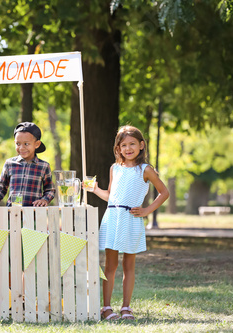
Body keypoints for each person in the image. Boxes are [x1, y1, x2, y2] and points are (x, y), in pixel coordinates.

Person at [87, 125, 169, 321]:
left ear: (141, 145)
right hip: (112, 217)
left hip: (131, 220)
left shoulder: (145, 170)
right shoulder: (115, 168)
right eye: (123, 145)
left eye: (132, 144)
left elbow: (164, 192)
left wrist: (147, 211)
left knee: (129, 265)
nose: (128, 148)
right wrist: (95, 190)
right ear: (118, 148)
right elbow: (111, 196)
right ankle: (106, 307)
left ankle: (126, 307)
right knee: (110, 266)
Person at [0, 122, 55, 207]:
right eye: (18, 144)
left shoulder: (43, 166)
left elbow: (50, 190)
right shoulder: (9, 164)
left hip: (34, 214)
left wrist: (44, 200)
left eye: (26, 144)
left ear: (37, 144)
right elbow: (1, 187)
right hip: (12, 213)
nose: (21, 148)